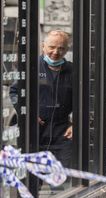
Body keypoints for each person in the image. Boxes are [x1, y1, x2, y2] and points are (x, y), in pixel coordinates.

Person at [10, 30, 73, 188]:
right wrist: (28, 114)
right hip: (34, 131)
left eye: (61, 48)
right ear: (43, 46)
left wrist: (77, 122)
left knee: (62, 182)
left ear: (67, 49)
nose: (56, 52)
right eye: (52, 47)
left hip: (62, 132)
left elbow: (87, 99)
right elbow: (15, 92)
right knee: (32, 181)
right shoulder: (30, 67)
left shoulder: (74, 70)